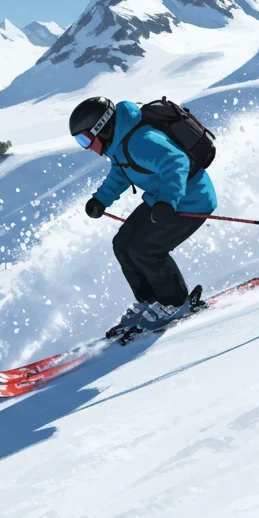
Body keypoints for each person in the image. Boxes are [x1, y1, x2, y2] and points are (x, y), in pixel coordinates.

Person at [69, 95, 218, 338]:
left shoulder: (141, 141)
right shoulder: (117, 145)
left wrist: (167, 201)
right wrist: (101, 200)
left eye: (84, 139)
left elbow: (176, 161)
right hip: (160, 200)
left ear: (101, 128)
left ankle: (174, 302)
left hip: (190, 200)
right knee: (123, 244)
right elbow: (121, 173)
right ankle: (150, 301)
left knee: (145, 249)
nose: (86, 147)